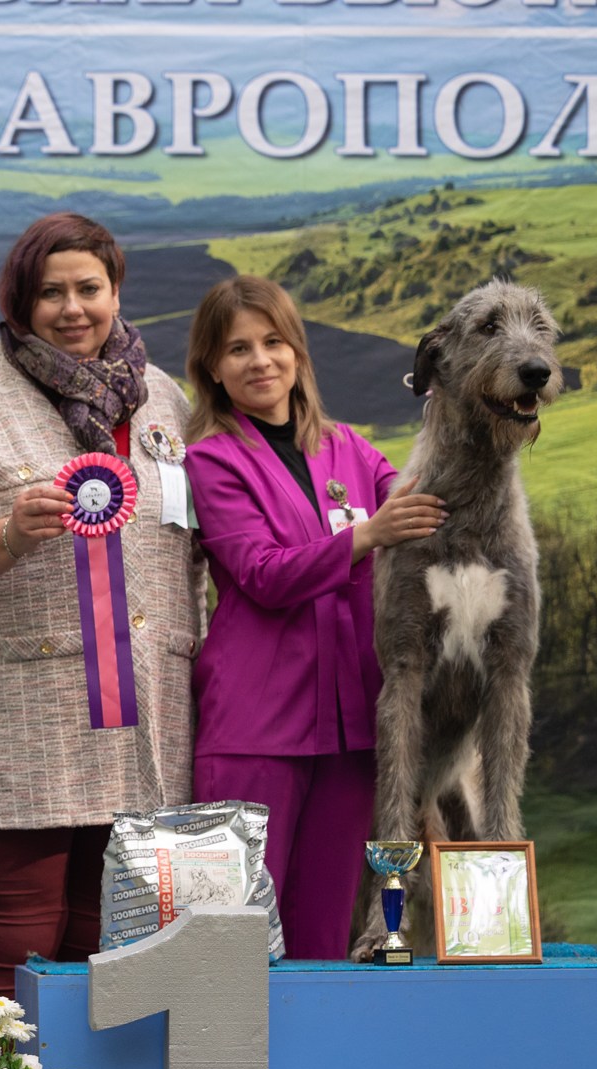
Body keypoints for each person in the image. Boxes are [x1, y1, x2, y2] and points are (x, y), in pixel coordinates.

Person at [0, 211, 205, 995]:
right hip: (7, 723)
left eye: (88, 288)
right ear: (20, 303)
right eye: (50, 292)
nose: (72, 308)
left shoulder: (164, 400)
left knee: (117, 942)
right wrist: (6, 537)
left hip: (141, 718)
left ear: (116, 291)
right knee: (11, 940)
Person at [181, 275, 445, 959]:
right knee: (235, 942)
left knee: (323, 936)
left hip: (352, 729)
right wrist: (366, 536)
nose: (260, 360)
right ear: (212, 366)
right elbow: (264, 575)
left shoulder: (350, 448)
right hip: (256, 726)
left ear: (298, 351)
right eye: (238, 348)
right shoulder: (211, 460)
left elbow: (426, 506)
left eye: (273, 341)